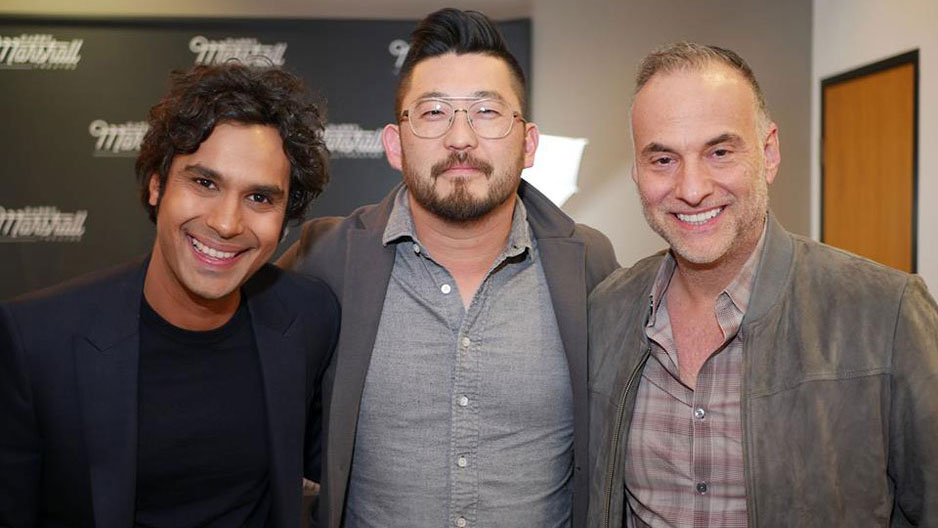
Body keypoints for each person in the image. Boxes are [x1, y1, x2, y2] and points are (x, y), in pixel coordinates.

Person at [278, 8, 618, 528]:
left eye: (486, 112)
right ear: (394, 144)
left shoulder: (589, 266)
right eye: (434, 112)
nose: (461, 139)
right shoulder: (326, 257)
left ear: (528, 144)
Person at [587, 42, 938, 527]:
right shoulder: (607, 311)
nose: (692, 189)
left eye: (720, 151)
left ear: (769, 153)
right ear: (636, 170)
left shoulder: (886, 315)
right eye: (663, 160)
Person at [0, 63, 338, 528]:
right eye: (204, 183)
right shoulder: (36, 341)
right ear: (157, 186)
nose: (226, 223)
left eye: (260, 198)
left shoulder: (307, 319)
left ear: (284, 218)